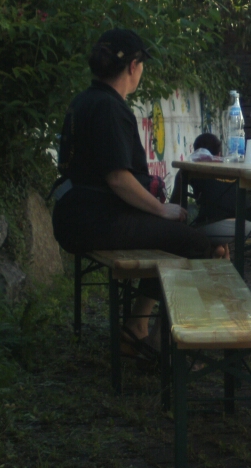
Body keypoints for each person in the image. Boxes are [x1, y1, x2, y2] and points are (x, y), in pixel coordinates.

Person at [51, 28, 212, 358]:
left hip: (73, 215)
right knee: (195, 243)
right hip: (94, 221)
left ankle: (137, 326)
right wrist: (160, 209)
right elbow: (118, 179)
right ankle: (158, 342)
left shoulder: (84, 100)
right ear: (134, 66)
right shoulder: (110, 108)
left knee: (173, 237)